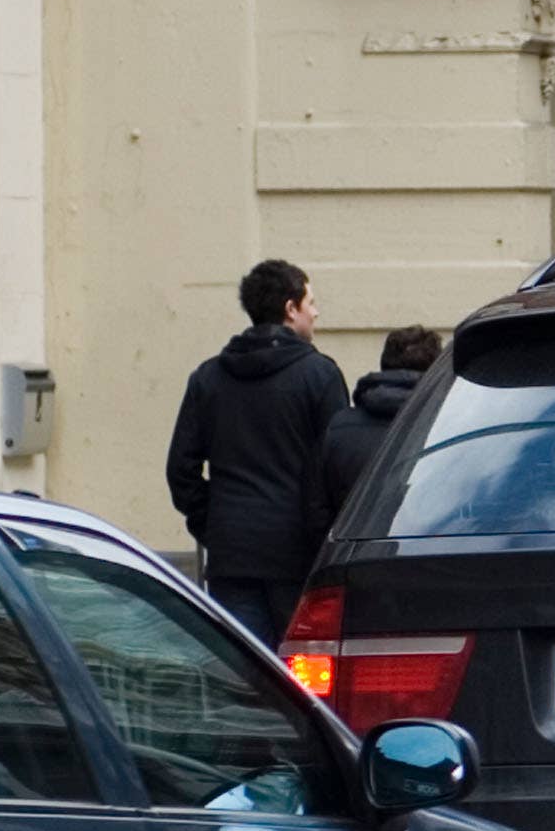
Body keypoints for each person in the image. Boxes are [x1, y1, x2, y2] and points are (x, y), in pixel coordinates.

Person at [163, 259, 345, 639]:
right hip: (299, 555)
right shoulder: (320, 375)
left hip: (231, 554)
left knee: (247, 678)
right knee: (301, 680)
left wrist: (214, 523)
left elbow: (181, 470)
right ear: (290, 309)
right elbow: (336, 465)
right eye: (310, 302)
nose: (316, 312)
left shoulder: (209, 377)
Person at [316, 322, 442, 534]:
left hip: (353, 558)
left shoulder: (338, 428)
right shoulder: (449, 425)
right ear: (434, 372)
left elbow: (317, 513)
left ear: (385, 364)